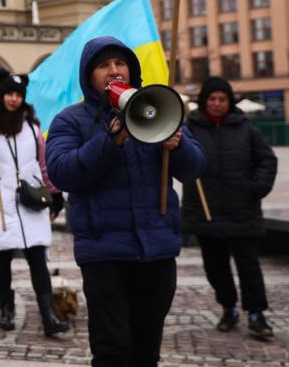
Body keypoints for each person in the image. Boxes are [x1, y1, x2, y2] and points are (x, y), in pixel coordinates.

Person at [46, 37, 206, 367]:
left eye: (120, 64)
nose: (114, 71)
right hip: (104, 253)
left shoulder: (156, 107)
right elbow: (62, 172)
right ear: (88, 76)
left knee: (147, 350)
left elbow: (194, 168)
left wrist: (178, 145)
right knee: (112, 350)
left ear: (131, 71)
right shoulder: (71, 120)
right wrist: (110, 140)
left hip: (157, 252)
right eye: (103, 66)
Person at [0, 69, 69, 337]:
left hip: (30, 201)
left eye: (18, 95)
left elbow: (43, 164)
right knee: (2, 258)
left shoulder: (33, 128)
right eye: (9, 94)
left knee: (38, 258)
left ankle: (48, 315)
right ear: (1, 96)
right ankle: (6, 308)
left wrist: (55, 194)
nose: (13, 99)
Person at [184, 76, 277, 340]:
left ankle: (257, 314)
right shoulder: (190, 129)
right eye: (212, 99)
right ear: (204, 101)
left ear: (229, 101)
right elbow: (179, 162)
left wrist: (255, 188)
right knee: (216, 268)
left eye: (222, 99)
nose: (216, 104)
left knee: (249, 267)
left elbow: (267, 160)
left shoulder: (246, 129)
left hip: (242, 212)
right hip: (206, 213)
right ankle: (229, 307)